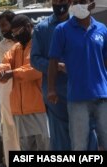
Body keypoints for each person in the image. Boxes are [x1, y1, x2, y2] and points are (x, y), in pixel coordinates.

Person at [31, 0, 98, 150]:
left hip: (83, 92)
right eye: (56, 1)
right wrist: (56, 66)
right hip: (57, 96)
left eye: (63, 0)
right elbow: (34, 59)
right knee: (61, 140)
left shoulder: (83, 24)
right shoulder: (42, 29)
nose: (59, 4)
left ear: (70, 2)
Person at [47, 0, 107, 150]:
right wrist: (51, 89)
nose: (79, 4)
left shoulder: (102, 29)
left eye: (83, 1)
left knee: (105, 141)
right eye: (76, 1)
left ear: (91, 4)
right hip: (77, 97)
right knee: (79, 144)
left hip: (103, 96)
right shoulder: (62, 30)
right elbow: (53, 61)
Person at [0, 14, 50, 151]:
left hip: (39, 106)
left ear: (28, 27)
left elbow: (37, 69)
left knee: (45, 146)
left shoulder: (40, 44)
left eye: (18, 31)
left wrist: (13, 73)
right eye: (14, 33)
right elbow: (4, 63)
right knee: (25, 149)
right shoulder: (15, 48)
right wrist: (3, 72)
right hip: (19, 109)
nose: (16, 35)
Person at [0, 10, 19, 167]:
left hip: (27, 90)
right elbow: (8, 66)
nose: (2, 29)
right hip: (8, 90)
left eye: (4, 25)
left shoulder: (28, 40)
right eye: (0, 26)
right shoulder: (2, 46)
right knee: (9, 127)